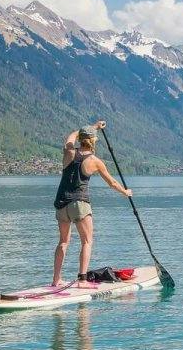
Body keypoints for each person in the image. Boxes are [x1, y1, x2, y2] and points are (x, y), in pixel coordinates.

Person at [52, 121, 131, 288]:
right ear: (93, 141)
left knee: (63, 242)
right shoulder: (95, 161)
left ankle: (56, 279)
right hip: (79, 204)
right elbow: (112, 183)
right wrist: (125, 192)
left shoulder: (68, 151)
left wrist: (93, 126)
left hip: (61, 203)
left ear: (80, 139)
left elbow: (71, 136)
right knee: (87, 241)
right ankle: (82, 280)